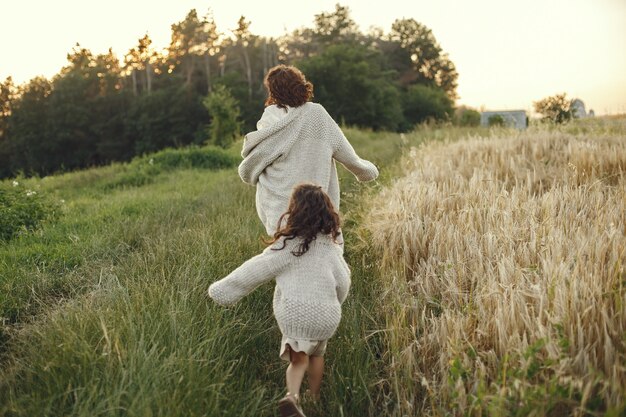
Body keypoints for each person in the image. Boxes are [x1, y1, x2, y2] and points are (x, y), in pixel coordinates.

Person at [208, 184, 351, 417]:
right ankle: (314, 399)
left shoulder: (286, 246)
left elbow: (254, 270)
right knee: (317, 355)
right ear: (327, 213)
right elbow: (344, 281)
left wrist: (222, 290)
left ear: (294, 212)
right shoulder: (331, 248)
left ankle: (292, 396)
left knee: (298, 361)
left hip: (295, 315)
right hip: (327, 317)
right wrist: (336, 302)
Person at [238, 64, 379, 236]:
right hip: (318, 211)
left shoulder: (269, 121)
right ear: (301, 85)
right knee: (322, 257)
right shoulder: (317, 114)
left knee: (284, 257)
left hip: (280, 214)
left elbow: (247, 170)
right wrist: (366, 171)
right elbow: (348, 155)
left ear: (273, 91)